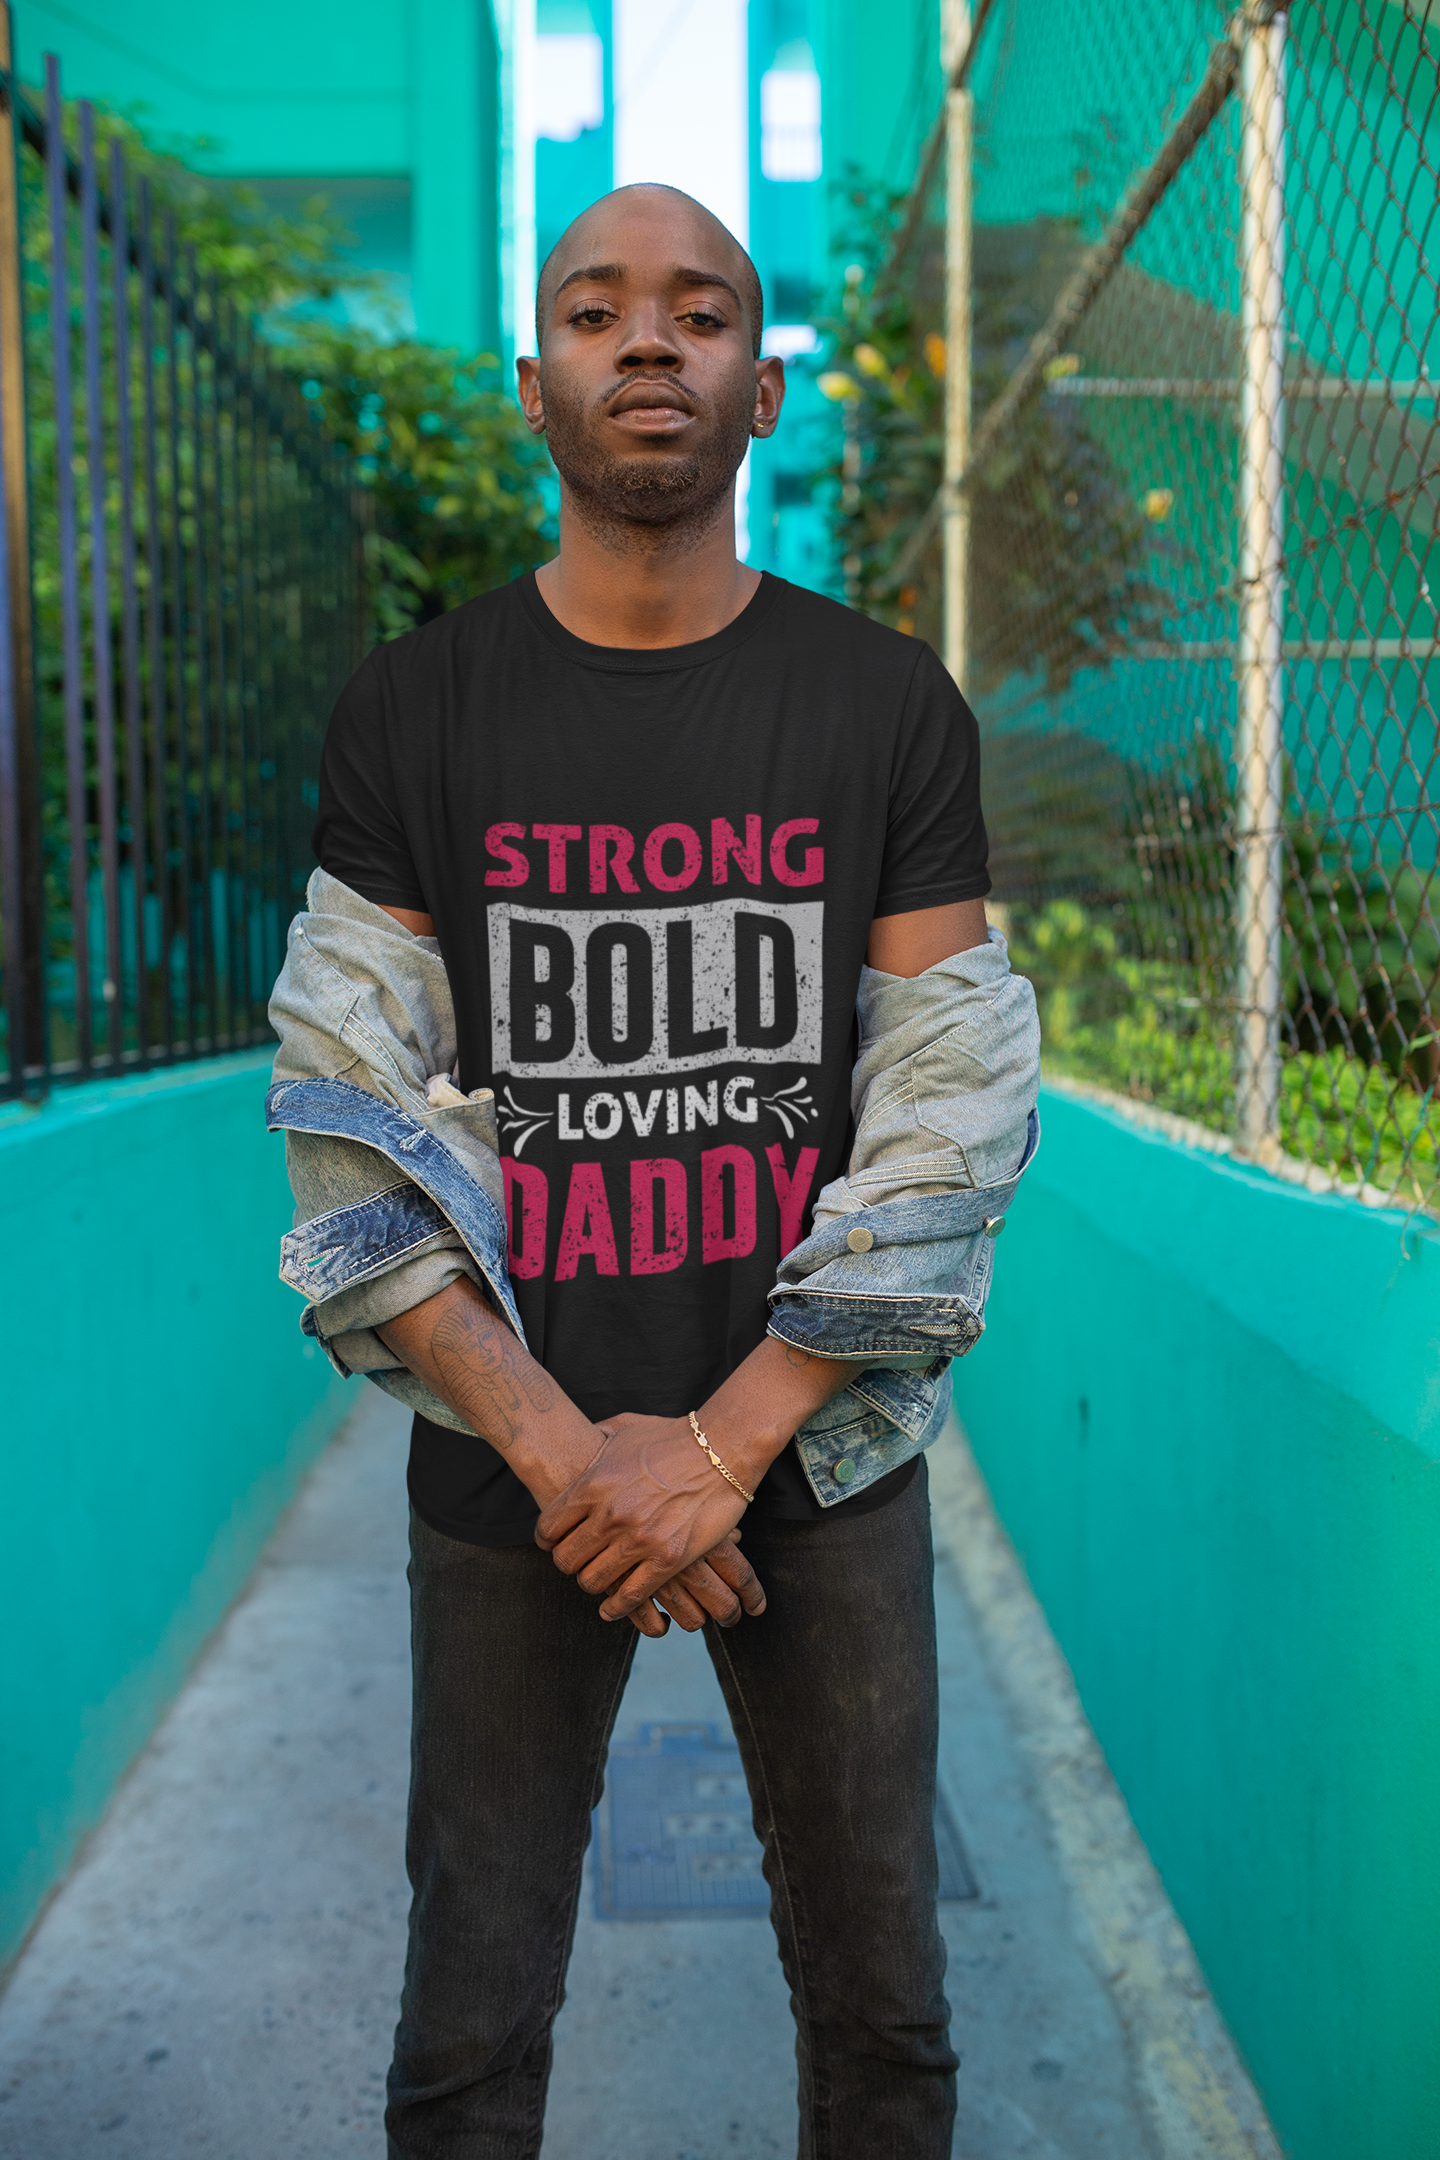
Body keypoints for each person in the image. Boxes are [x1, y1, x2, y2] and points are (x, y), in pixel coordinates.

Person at [266, 182, 1039, 2159]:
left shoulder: (882, 705)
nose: (648, 342)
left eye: (700, 312)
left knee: (886, 2016)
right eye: (597, 309)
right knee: (465, 2032)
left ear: (761, 389)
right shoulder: (416, 709)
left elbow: (950, 1108)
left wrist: (720, 1443)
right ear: (533, 384)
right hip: (509, 1468)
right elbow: (346, 1114)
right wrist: (573, 1459)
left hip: (820, 1452)